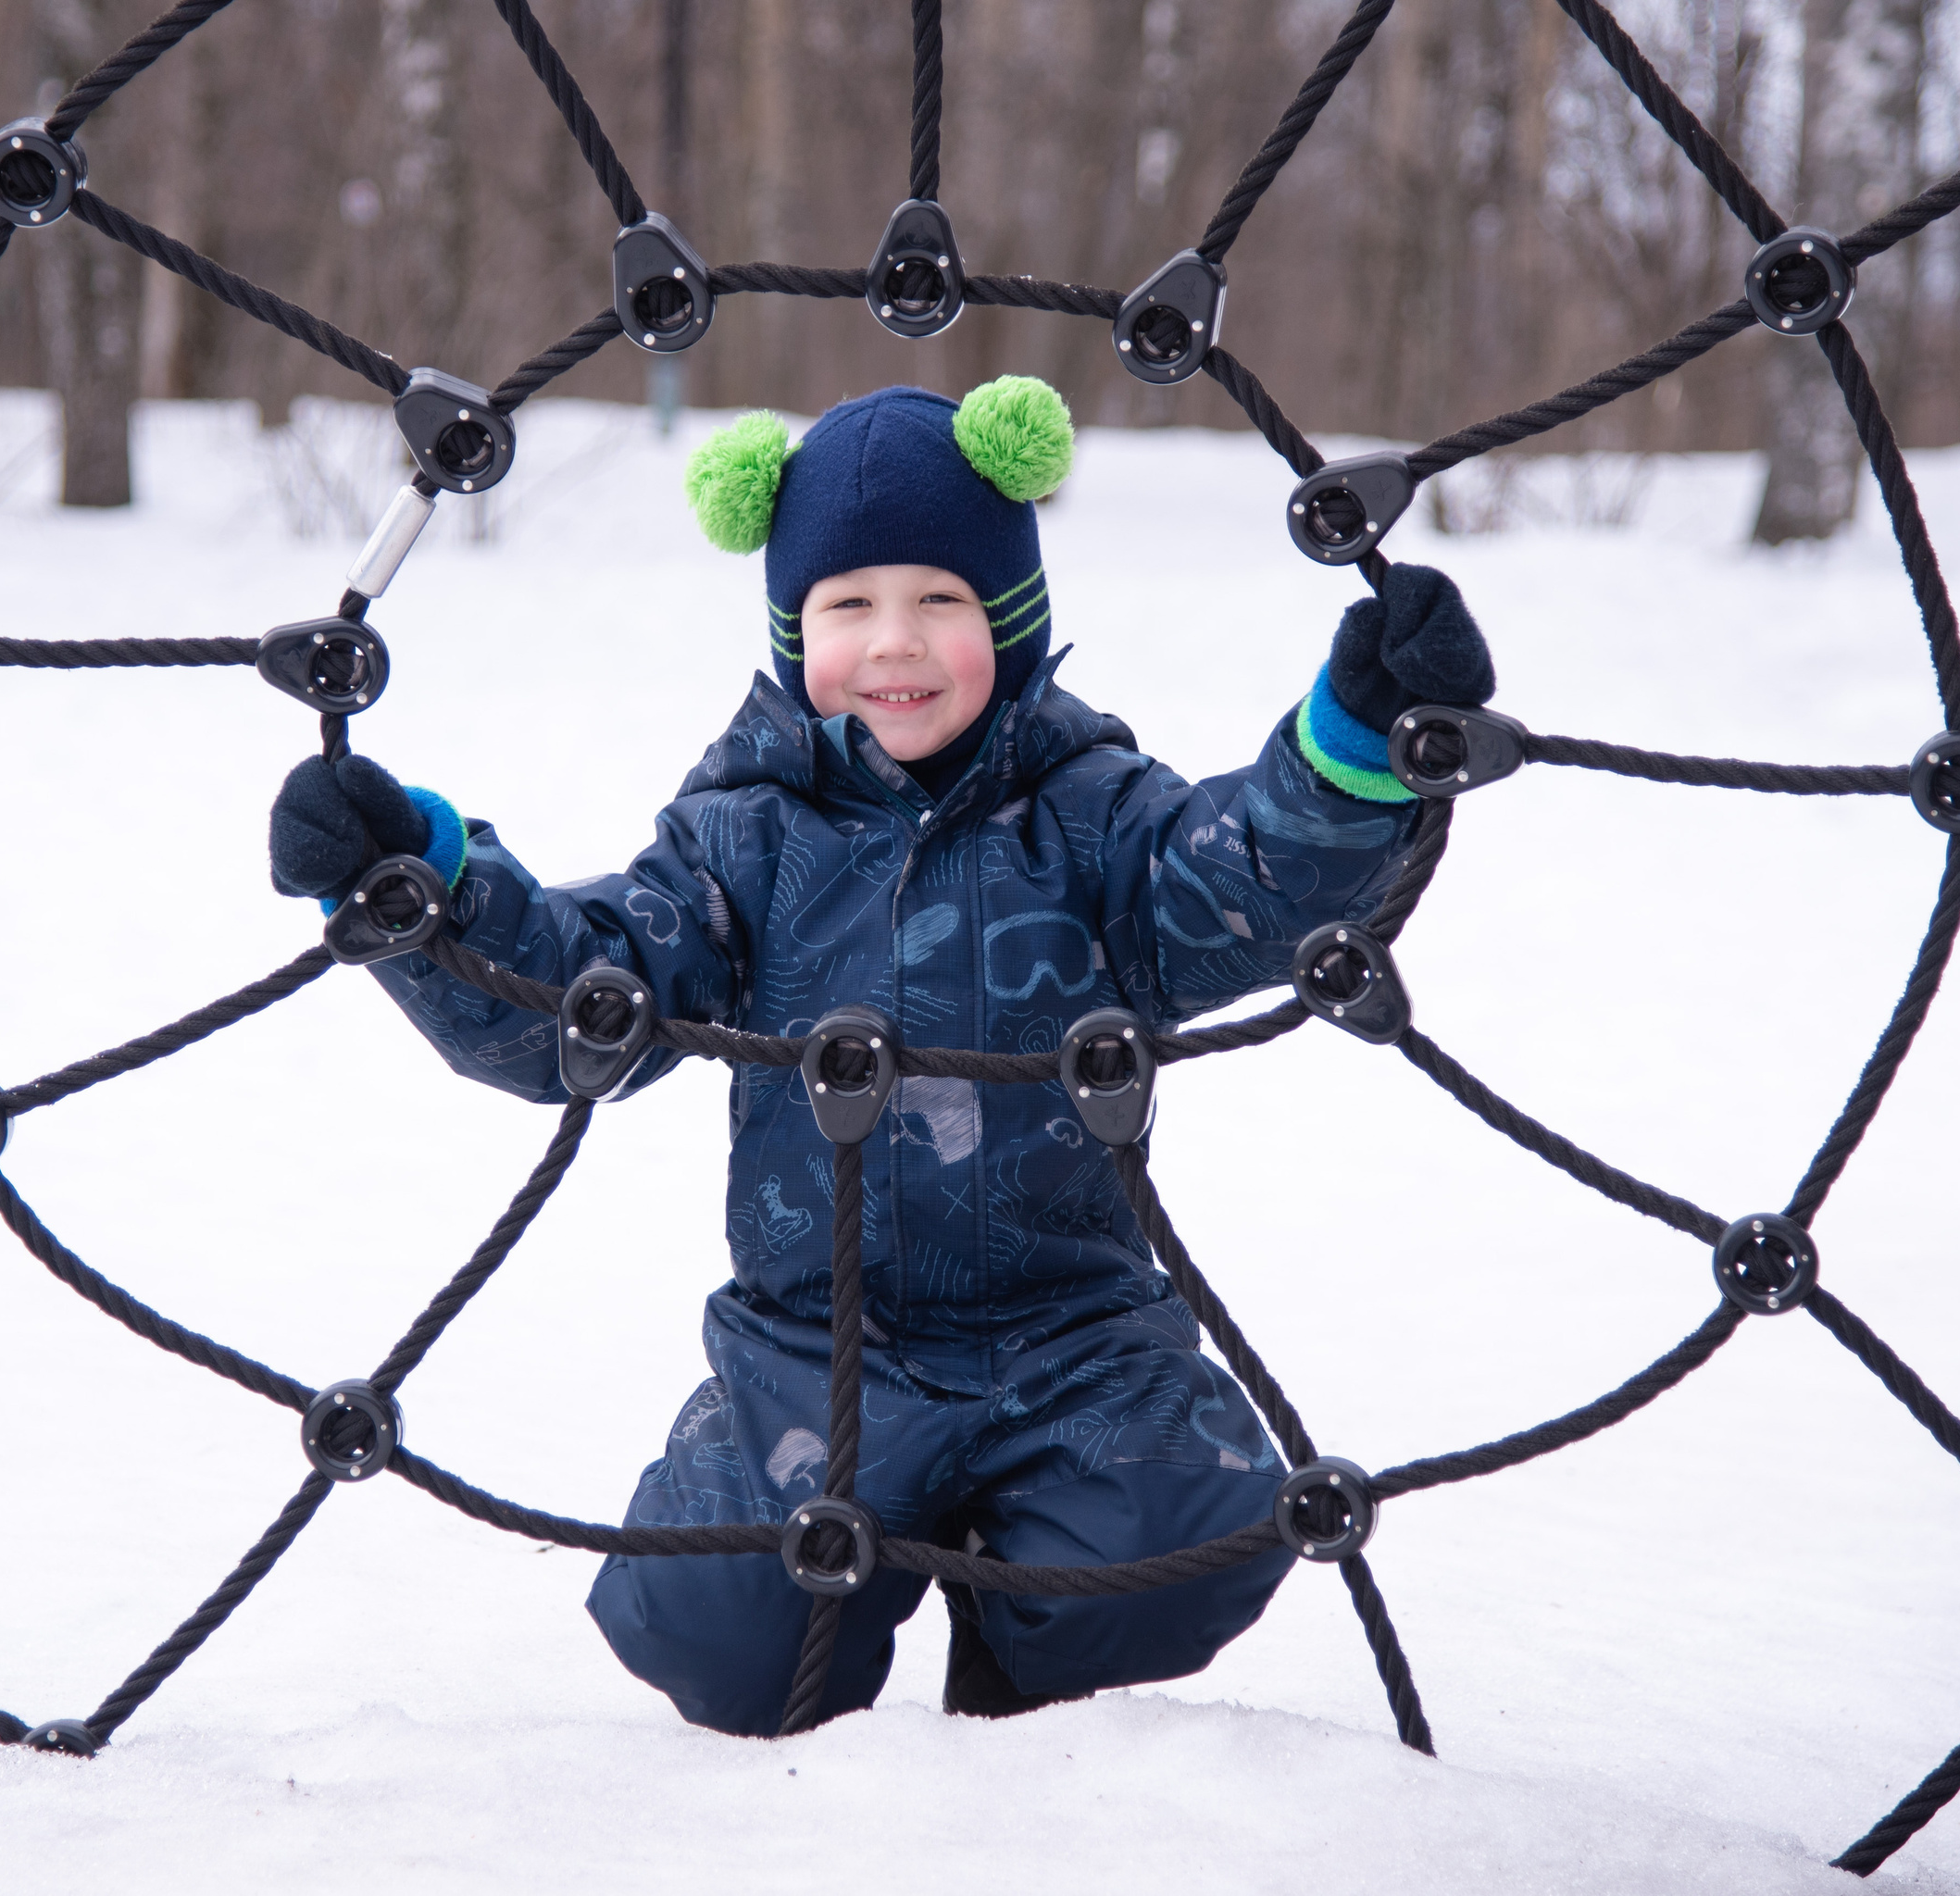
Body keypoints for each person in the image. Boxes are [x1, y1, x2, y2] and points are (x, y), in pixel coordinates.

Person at [266, 378, 1497, 1736]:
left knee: (1185, 1540)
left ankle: (1023, 1654)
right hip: (818, 1340)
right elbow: (582, 990)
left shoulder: (1090, 815)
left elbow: (1247, 884)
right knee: (716, 1632)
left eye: (943, 602)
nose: (893, 645)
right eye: (847, 607)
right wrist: (419, 889)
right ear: (795, 633)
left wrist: (1355, 746)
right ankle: (810, 1658)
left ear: (1010, 622)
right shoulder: (745, 837)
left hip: (1074, 1333)